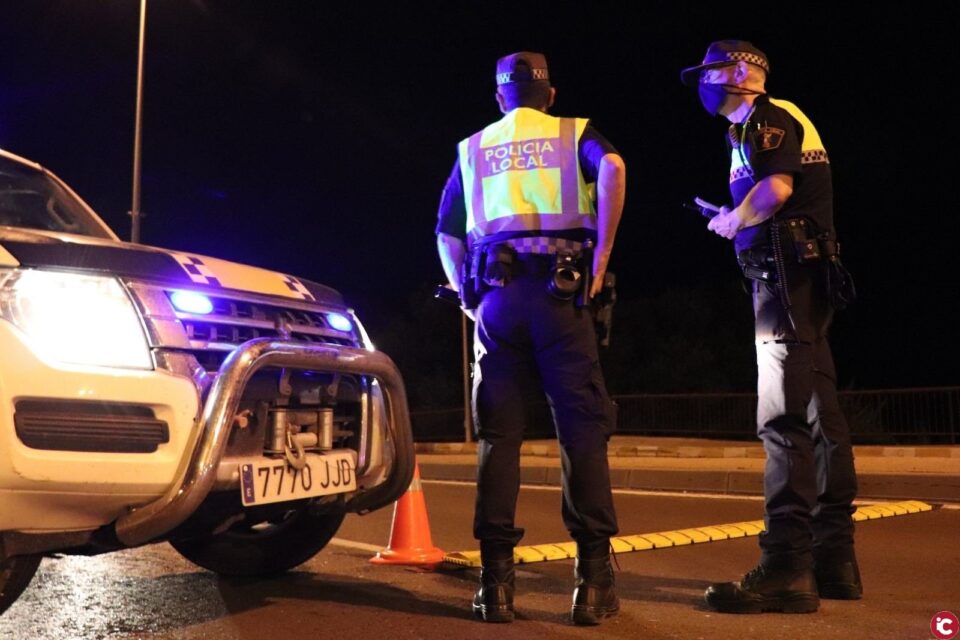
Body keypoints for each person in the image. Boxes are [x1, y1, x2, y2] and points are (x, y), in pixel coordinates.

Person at [435, 51, 626, 625]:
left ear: (500, 98)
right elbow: (614, 169)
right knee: (580, 432)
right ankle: (592, 585)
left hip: (498, 297)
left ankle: (496, 588)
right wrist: (603, 257)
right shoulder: (573, 133)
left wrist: (467, 297)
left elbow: (446, 233)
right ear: (551, 94)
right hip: (562, 297)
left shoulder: (474, 147)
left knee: (499, 438)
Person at [680, 40, 860, 614]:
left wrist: (735, 218)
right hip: (802, 277)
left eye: (709, 73)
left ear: (738, 74)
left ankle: (785, 565)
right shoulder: (763, 125)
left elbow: (777, 190)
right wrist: (735, 217)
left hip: (783, 279)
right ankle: (835, 559)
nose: (703, 86)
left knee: (781, 417)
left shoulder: (768, 117)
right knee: (820, 413)